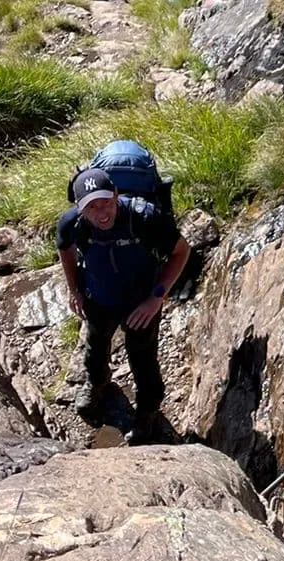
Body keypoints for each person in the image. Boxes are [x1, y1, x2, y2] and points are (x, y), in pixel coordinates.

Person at [55, 166, 189, 440]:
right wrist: (74, 290)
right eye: (92, 207)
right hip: (98, 298)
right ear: (80, 208)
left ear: (116, 194)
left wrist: (156, 298)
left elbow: (181, 251)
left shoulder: (145, 218)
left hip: (140, 302)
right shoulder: (71, 223)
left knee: (143, 361)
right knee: (95, 347)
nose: (102, 213)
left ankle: (146, 416)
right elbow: (64, 249)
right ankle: (97, 384)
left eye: (106, 202)